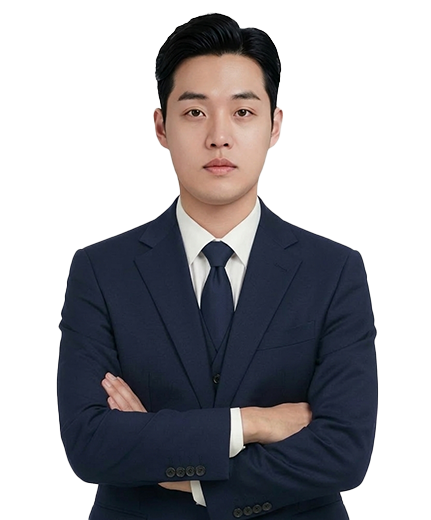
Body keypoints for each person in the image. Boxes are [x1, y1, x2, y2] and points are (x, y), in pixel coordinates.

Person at [57, 12, 378, 520]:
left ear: (274, 126)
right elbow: (90, 442)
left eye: (243, 112)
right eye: (195, 112)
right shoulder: (101, 271)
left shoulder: (334, 272)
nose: (219, 136)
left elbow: (344, 452)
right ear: (161, 126)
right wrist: (251, 423)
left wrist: (181, 472)